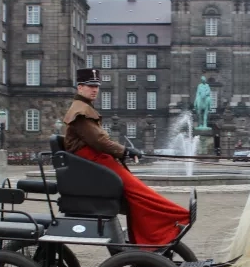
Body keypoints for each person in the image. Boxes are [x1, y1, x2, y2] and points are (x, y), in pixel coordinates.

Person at [61, 68, 190, 246]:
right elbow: (100, 141)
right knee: (139, 192)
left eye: (96, 86)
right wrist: (126, 151)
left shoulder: (83, 108)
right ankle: (178, 216)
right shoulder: (81, 112)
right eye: (90, 86)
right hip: (94, 162)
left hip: (96, 161)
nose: (95, 90)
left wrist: (123, 151)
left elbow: (100, 141)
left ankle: (148, 235)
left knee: (136, 194)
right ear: (80, 87)